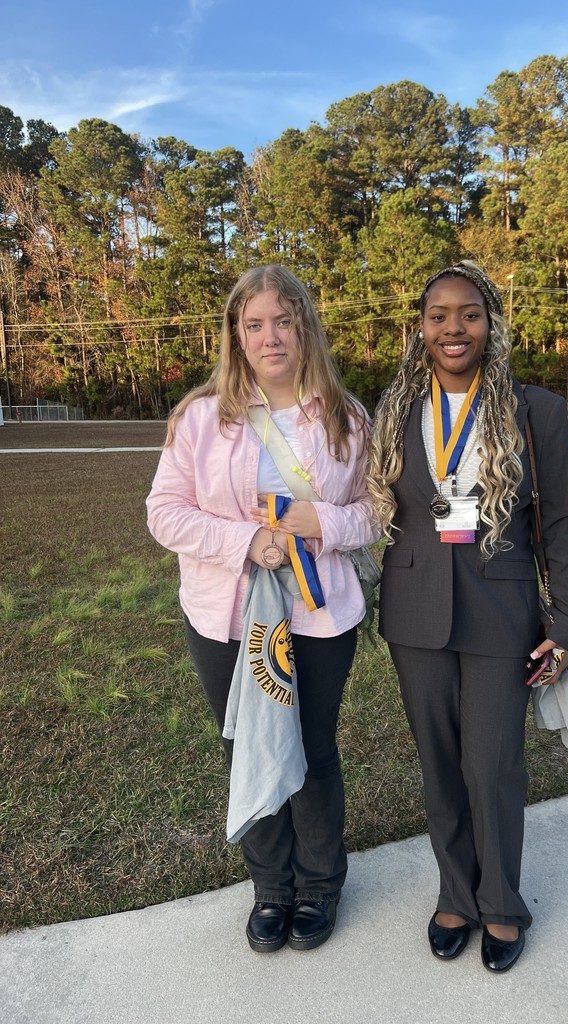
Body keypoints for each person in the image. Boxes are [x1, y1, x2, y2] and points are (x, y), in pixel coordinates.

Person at [147, 265, 379, 954]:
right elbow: (164, 513)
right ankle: (270, 887)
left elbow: (376, 510)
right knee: (245, 742)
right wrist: (249, 540)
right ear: (236, 335)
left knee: (310, 748)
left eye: (284, 320)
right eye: (254, 324)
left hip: (319, 615)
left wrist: (321, 525)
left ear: (305, 324)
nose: (270, 336)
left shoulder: (347, 415)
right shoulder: (201, 417)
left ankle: (320, 883)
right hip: (227, 614)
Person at [366, 261, 568, 973]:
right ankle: (454, 894)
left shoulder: (537, 411)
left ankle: (501, 905)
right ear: (421, 328)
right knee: (440, 767)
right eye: (438, 316)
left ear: (491, 323)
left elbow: (561, 520)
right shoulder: (395, 408)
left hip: (502, 607)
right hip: (414, 610)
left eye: (468, 314)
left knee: (492, 766)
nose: (452, 328)